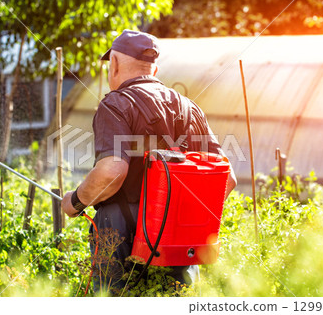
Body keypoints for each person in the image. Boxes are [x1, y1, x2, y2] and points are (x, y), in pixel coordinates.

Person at [61, 30, 237, 293]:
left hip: (120, 234)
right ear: (154, 69)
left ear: (115, 64)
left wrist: (75, 201)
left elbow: (111, 171)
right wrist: (181, 217)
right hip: (179, 242)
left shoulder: (117, 104)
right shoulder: (189, 108)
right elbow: (228, 178)